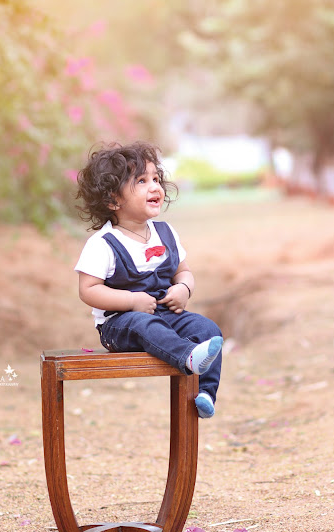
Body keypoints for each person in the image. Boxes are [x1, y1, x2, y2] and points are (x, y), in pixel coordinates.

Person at [74, 141, 223, 418]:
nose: (155, 186)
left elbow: (184, 271)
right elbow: (88, 290)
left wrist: (183, 288)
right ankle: (187, 356)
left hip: (167, 315)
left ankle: (205, 393)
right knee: (143, 323)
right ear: (112, 200)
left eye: (156, 179)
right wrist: (130, 301)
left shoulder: (165, 233)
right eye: (141, 181)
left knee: (207, 328)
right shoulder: (104, 243)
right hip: (120, 325)